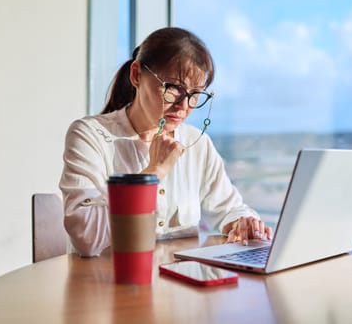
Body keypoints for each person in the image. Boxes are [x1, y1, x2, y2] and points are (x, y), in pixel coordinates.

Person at [59, 27, 273, 257]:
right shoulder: (90, 135)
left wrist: (242, 222)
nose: (184, 106)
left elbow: (229, 208)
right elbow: (87, 237)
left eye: (195, 94)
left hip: (179, 285)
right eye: (173, 89)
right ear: (136, 75)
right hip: (104, 284)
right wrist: (153, 173)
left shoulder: (196, 143)